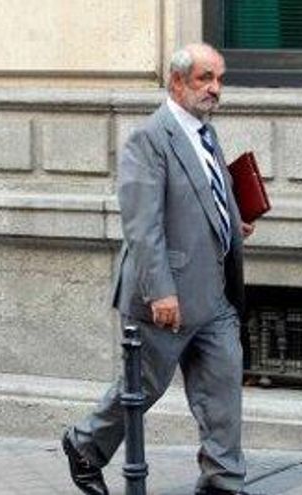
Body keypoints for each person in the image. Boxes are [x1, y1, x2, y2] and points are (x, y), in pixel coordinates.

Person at [61, 43, 254, 495]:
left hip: (215, 294)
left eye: (219, 79)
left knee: (223, 392)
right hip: (166, 296)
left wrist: (229, 222)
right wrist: (160, 291)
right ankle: (84, 445)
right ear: (177, 82)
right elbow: (141, 224)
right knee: (142, 386)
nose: (215, 89)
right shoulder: (150, 137)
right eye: (205, 79)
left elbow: (201, 198)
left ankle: (223, 482)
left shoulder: (206, 132)